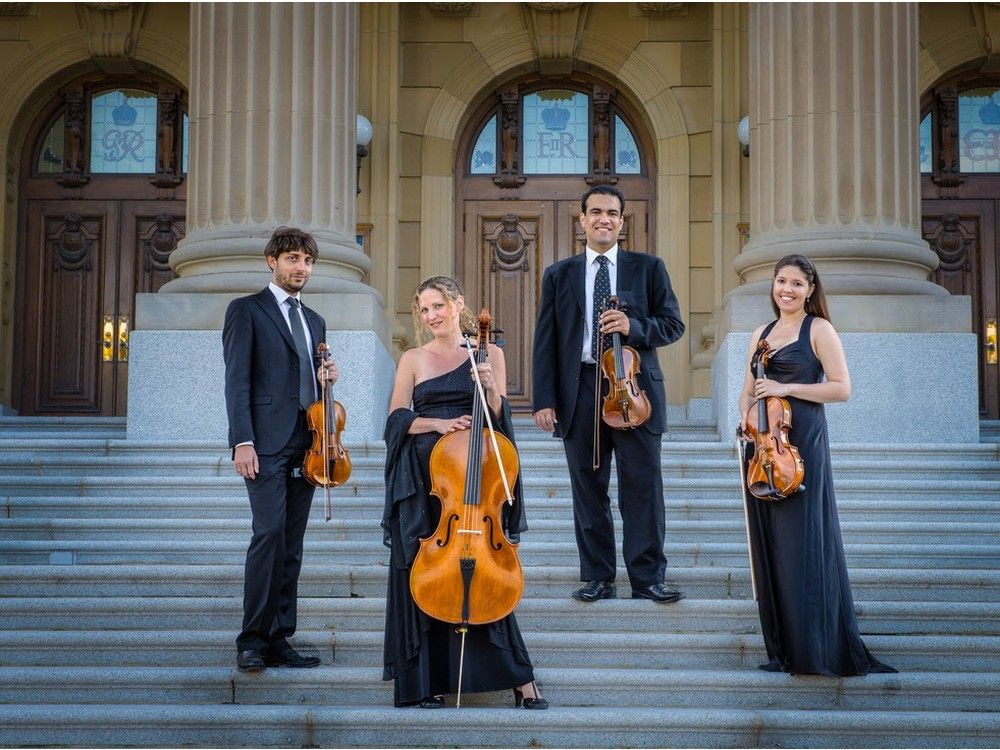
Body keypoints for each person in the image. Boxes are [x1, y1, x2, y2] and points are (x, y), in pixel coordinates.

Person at [381, 276, 547, 709]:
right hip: (426, 480)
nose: (431, 315)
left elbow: (497, 420)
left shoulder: (488, 352)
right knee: (426, 573)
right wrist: (438, 424)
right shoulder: (413, 359)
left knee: (484, 576)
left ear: (458, 304)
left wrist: (491, 384)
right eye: (423, 310)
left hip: (471, 482)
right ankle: (425, 681)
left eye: (438, 306)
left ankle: (520, 679)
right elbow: (396, 419)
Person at [738, 254, 896, 676]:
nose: (786, 289)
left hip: (801, 444)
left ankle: (816, 649)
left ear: (810, 290)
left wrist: (786, 387)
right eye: (780, 281)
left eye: (796, 283)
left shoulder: (819, 329)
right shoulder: (761, 333)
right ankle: (785, 650)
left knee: (803, 543)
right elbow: (748, 391)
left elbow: (842, 389)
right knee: (771, 547)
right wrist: (747, 423)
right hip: (765, 448)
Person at [531, 185, 686, 604]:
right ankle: (597, 576)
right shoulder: (559, 274)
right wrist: (544, 399)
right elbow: (546, 340)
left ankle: (648, 579)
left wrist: (633, 328)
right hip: (579, 390)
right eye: (596, 211)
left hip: (633, 392)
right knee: (588, 489)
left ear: (622, 220)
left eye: (612, 213)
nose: (604, 218)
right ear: (582, 220)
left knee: (643, 489)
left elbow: (672, 325)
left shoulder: (649, 267)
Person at [223, 226, 339, 673]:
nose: (301, 268)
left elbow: (310, 379)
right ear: (272, 261)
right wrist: (242, 440)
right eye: (293, 259)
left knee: (291, 544)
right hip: (265, 444)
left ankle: (279, 637)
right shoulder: (246, 310)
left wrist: (328, 379)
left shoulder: (315, 321)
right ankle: (251, 638)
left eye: (307, 261)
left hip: (308, 445)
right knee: (268, 535)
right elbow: (237, 380)